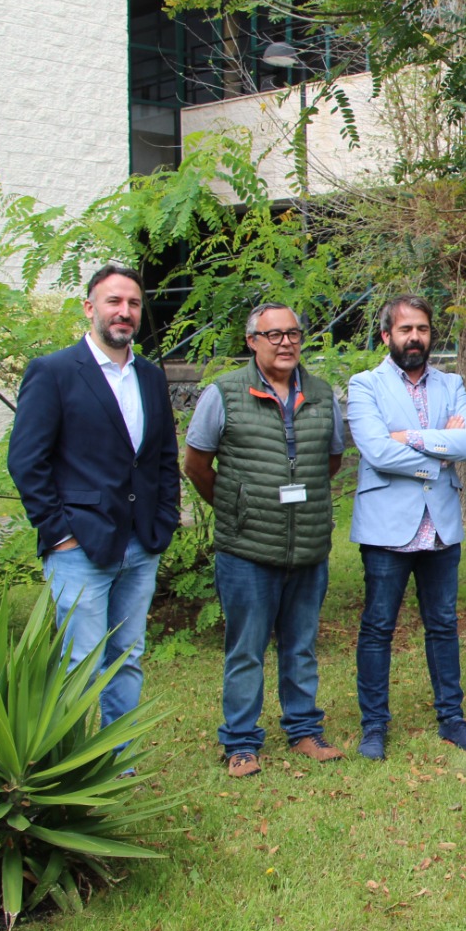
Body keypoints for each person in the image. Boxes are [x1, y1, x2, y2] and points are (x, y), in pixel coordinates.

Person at [7, 263, 180, 732]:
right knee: (79, 663)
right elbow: (26, 461)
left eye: (133, 304)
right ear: (90, 308)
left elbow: (163, 456)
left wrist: (165, 521)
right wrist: (59, 533)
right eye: (114, 302)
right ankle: (72, 768)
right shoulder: (54, 372)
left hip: (141, 543)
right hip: (79, 546)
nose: (124, 312)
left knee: (127, 657)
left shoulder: (148, 376)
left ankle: (116, 759)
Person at [183, 302, 347, 778]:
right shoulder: (225, 393)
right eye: (273, 335)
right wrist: (236, 508)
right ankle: (240, 742)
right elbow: (195, 464)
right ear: (252, 341)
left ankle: (304, 731)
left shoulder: (320, 394)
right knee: (246, 649)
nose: (285, 343)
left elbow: (331, 460)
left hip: (308, 546)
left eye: (293, 333)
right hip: (247, 550)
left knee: (300, 646)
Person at [347, 294, 466, 758]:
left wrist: (411, 438)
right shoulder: (364, 385)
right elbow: (376, 451)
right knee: (378, 627)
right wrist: (435, 459)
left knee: (443, 625)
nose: (415, 337)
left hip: (441, 527)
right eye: (405, 329)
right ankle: (374, 726)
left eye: (422, 329)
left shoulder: (451, 384)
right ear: (386, 335)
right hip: (387, 529)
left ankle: (452, 719)